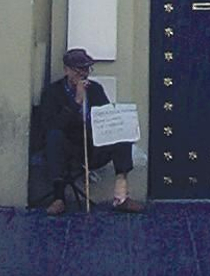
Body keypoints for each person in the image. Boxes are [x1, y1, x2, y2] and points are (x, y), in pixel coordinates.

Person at [33, 47, 143, 214]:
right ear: (67, 70)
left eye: (86, 69)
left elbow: (106, 118)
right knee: (54, 136)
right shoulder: (52, 92)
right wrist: (76, 102)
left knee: (122, 134)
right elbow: (52, 125)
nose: (84, 74)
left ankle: (121, 196)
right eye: (79, 70)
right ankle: (58, 198)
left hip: (93, 144)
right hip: (69, 148)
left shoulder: (95, 89)